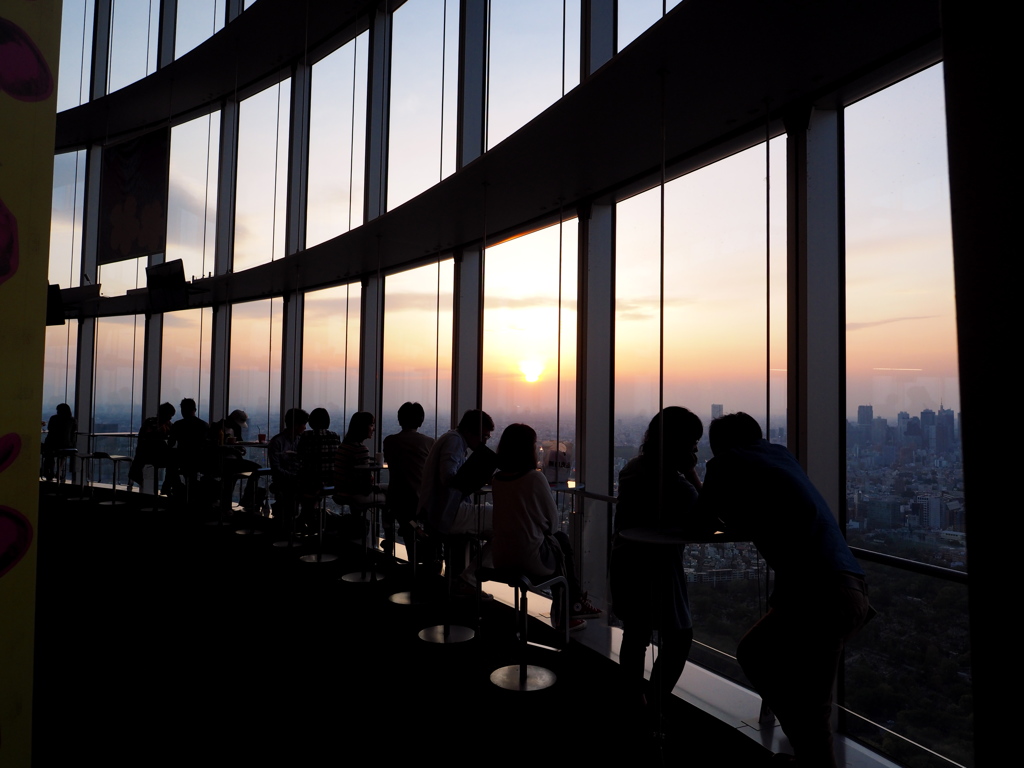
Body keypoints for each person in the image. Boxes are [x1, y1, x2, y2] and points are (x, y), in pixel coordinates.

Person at [696, 412, 872, 768]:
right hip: (845, 589)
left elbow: (701, 520)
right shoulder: (781, 457)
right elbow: (770, 512)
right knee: (762, 658)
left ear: (718, 446)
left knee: (807, 707)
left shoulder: (727, 463)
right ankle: (806, 751)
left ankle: (810, 755)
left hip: (816, 596)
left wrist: (690, 476)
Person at [610, 407, 703, 714]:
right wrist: (690, 472)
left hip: (625, 561)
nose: (695, 450)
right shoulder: (675, 485)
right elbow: (709, 516)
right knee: (679, 636)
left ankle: (632, 698)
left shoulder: (633, 468)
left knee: (635, 634)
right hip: (659, 569)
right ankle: (656, 706)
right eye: (692, 444)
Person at [490, 423, 600, 632]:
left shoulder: (497, 479)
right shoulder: (534, 478)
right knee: (561, 541)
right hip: (529, 560)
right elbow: (552, 523)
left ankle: (570, 606)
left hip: (500, 558)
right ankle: (569, 610)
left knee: (557, 545)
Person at [418, 409, 498, 594]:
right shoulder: (455, 442)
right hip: (447, 513)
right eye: (483, 436)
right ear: (470, 431)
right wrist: (475, 477)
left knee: (498, 528)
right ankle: (468, 579)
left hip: (440, 511)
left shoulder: (451, 439)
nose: (485, 442)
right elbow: (448, 476)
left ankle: (465, 579)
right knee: (506, 522)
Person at [382, 402, 434, 558]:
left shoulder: (389, 441)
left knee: (403, 516)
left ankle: (399, 545)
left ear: (399, 419)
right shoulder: (429, 442)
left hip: (397, 500)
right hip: (421, 500)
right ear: (420, 421)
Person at [268, 407, 307, 524]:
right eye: (303, 424)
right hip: (284, 481)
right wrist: (294, 477)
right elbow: (276, 469)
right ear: (296, 425)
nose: (305, 427)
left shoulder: (300, 440)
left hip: (295, 479)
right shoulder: (277, 442)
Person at [129, 402, 176, 491]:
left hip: (146, 455)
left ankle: (167, 486)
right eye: (169, 415)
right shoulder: (163, 425)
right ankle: (168, 487)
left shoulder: (152, 423)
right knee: (173, 462)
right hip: (153, 456)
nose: (170, 418)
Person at [167, 398, 208, 495]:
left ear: (182, 410)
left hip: (182, 458)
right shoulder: (204, 425)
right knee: (192, 475)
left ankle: (176, 488)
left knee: (170, 462)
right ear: (195, 410)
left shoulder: (178, 425)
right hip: (200, 459)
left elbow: (171, 443)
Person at [41, 403, 77, 482]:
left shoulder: (54, 418)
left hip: (53, 445)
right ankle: (59, 471)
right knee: (62, 455)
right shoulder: (72, 420)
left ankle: (48, 473)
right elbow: (73, 433)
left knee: (48, 454)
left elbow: (50, 430)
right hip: (67, 446)